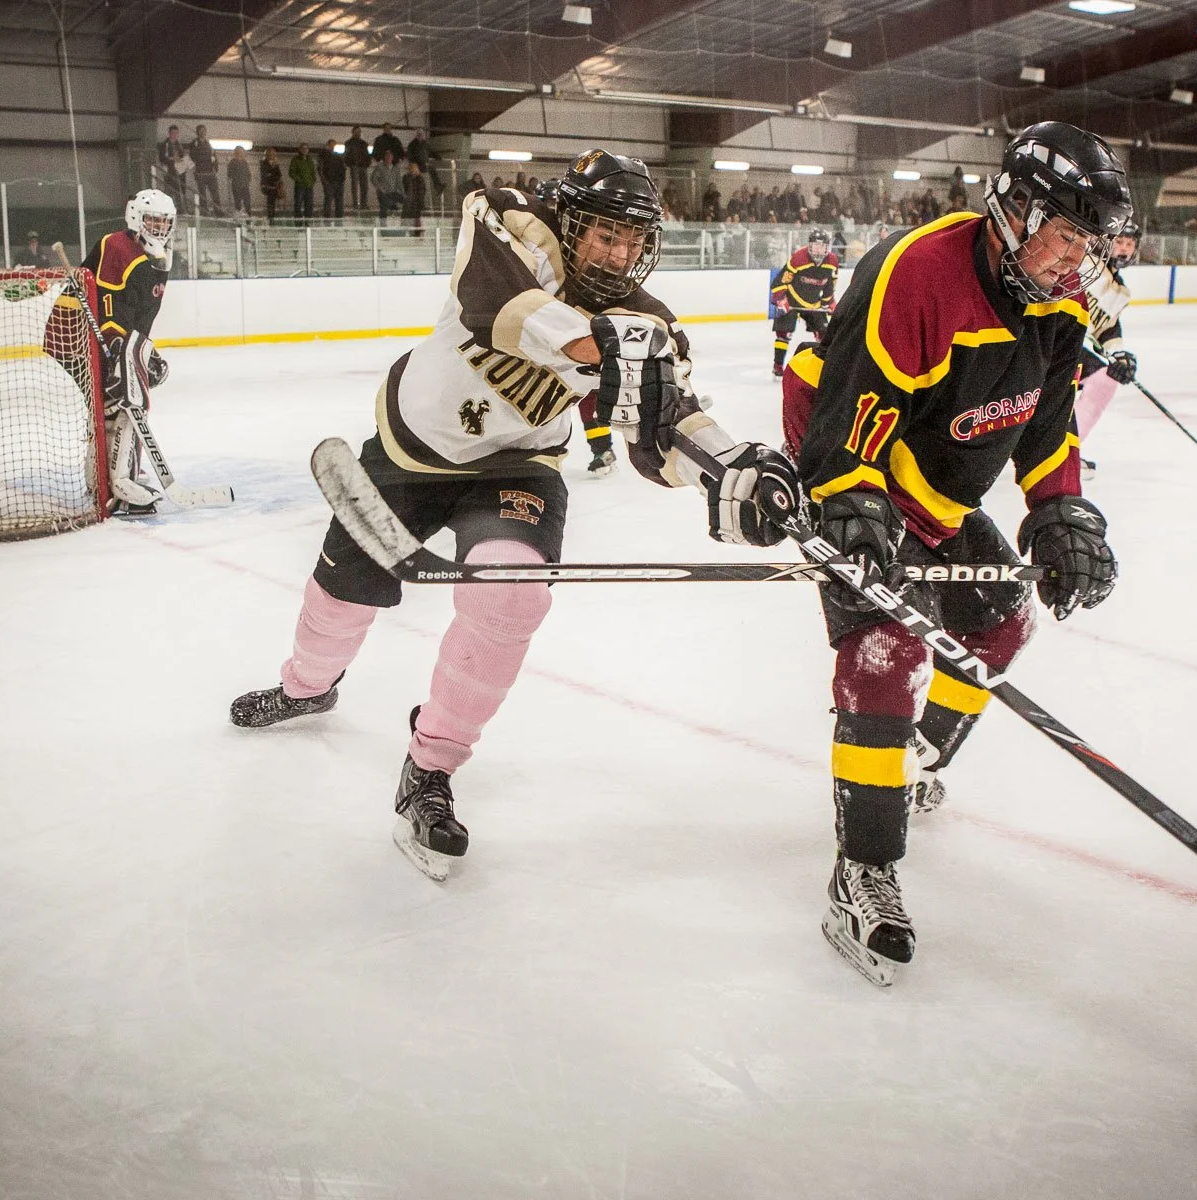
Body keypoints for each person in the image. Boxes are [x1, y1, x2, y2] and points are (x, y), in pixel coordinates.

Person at [228, 149, 799, 885]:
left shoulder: (645, 321)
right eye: (604, 235)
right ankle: (308, 685)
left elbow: (666, 428)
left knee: (512, 598)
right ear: (569, 220)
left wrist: (731, 472)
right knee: (339, 595)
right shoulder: (509, 221)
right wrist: (602, 348)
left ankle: (430, 765)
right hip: (410, 451)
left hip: (516, 467)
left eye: (634, 241)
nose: (620, 254)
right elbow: (495, 308)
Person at [779, 121, 1132, 986]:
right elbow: (845, 410)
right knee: (886, 647)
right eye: (1067, 238)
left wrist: (1060, 513)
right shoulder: (919, 272)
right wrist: (850, 502)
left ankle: (915, 760)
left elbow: (1046, 433)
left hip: (939, 492)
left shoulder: (1060, 302)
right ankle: (862, 864)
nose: (1076, 262)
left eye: (1091, 247)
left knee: (1004, 625)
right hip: (850, 464)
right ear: (1015, 212)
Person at [82, 189, 176, 517]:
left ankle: (106, 478)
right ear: (136, 217)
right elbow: (107, 305)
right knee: (123, 400)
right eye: (153, 219)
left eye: (165, 221)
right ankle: (116, 484)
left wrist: (144, 352)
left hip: (117, 339)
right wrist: (117, 350)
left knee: (119, 401)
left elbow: (137, 312)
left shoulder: (160, 256)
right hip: (81, 336)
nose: (160, 227)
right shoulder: (116, 246)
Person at [1074, 219, 1142, 475]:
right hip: (1056, 341)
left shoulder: (1122, 291)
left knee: (1104, 380)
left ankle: (1065, 452)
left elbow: (1108, 329)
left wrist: (1119, 355)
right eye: (1120, 242)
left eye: (1130, 244)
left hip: (1078, 350)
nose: (1124, 249)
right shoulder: (1084, 263)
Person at [769, 228, 839, 378]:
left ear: (827, 247)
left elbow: (829, 285)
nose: (818, 249)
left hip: (814, 304)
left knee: (824, 334)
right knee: (783, 333)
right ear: (809, 245)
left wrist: (830, 302)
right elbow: (780, 281)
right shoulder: (798, 258)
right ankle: (778, 365)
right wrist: (781, 300)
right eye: (815, 245)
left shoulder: (832, 262)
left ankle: (821, 365)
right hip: (792, 299)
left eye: (822, 246)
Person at [190, 125, 222, 216]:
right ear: (198, 132)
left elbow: (214, 155)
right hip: (201, 173)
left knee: (215, 193)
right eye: (201, 131)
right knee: (202, 194)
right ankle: (204, 212)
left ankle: (218, 211)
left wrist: (216, 167)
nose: (203, 132)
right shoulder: (194, 143)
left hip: (211, 172)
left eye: (204, 130)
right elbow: (193, 156)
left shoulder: (209, 143)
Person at [317, 139, 346, 221]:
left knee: (339, 201)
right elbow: (320, 168)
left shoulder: (338, 156)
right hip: (329, 181)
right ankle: (327, 218)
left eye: (334, 145)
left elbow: (343, 168)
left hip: (339, 181)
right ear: (328, 145)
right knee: (328, 200)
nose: (333, 146)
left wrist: (342, 179)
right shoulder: (323, 155)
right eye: (331, 145)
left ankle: (339, 218)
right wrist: (324, 181)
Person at [370, 150, 403, 218]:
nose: (389, 158)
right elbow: (373, 178)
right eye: (387, 156)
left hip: (393, 192)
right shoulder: (380, 167)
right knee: (383, 206)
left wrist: (402, 193)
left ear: (392, 157)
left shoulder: (395, 168)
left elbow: (399, 182)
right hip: (383, 192)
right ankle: (383, 223)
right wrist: (380, 188)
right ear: (384, 157)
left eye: (390, 156)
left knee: (406, 201)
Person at [344, 127, 370, 211]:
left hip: (363, 166)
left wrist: (367, 163)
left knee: (365, 186)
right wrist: (350, 163)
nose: (358, 133)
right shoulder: (348, 143)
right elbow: (347, 154)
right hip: (354, 165)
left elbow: (367, 154)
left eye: (359, 132)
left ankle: (364, 204)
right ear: (353, 132)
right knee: (355, 186)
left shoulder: (364, 143)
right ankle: (355, 204)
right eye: (356, 132)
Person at [157, 125, 186, 199]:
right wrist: (173, 159)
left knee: (180, 191)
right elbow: (162, 158)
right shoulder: (164, 144)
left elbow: (182, 156)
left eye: (177, 133)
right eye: (173, 133)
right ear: (169, 133)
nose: (175, 135)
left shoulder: (179, 145)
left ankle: (179, 209)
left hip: (180, 171)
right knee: (169, 191)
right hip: (170, 171)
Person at [289, 143, 317, 222]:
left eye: (306, 148)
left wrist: (313, 180)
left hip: (309, 185)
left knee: (309, 204)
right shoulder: (295, 159)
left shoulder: (310, 160)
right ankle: (298, 222)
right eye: (303, 148)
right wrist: (299, 180)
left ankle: (308, 222)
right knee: (298, 204)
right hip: (300, 186)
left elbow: (313, 171)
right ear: (300, 150)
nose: (305, 150)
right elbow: (291, 172)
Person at [402, 160, 427, 235]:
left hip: (415, 202)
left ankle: (416, 232)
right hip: (410, 202)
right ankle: (412, 232)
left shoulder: (419, 178)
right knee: (410, 218)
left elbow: (421, 190)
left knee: (415, 218)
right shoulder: (406, 178)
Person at [227, 146, 253, 217]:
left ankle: (248, 220)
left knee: (247, 203)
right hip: (236, 186)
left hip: (245, 186)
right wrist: (238, 176)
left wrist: (248, 178)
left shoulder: (245, 162)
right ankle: (239, 223)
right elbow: (229, 174)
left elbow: (248, 172)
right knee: (238, 204)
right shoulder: (232, 162)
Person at [259, 148, 284, 223]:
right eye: (271, 153)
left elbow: (279, 175)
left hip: (274, 186)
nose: (272, 155)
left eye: (274, 154)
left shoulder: (276, 164)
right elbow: (265, 175)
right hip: (267, 186)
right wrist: (272, 175)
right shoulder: (263, 163)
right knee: (270, 202)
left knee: (273, 202)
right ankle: (270, 218)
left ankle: (272, 217)